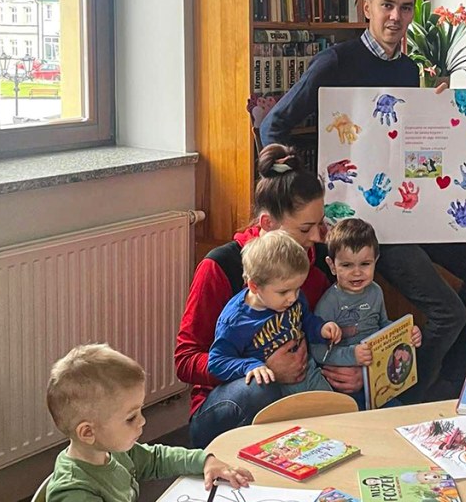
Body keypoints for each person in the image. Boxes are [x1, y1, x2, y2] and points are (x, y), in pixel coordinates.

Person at [259, 0, 466, 400]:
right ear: (366, 7)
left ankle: (449, 378)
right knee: (446, 310)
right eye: (386, 5)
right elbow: (274, 125)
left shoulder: (410, 71)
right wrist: (301, 194)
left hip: (413, 209)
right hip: (367, 223)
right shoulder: (335, 62)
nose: (395, 16)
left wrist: (439, 113)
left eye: (405, 8)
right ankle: (408, 397)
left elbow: (408, 147)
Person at [175, 144, 361, 448]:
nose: (317, 237)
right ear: (267, 224)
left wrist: (353, 370)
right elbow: (185, 361)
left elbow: (322, 331)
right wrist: (261, 366)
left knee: (360, 397)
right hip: (228, 402)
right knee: (261, 389)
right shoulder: (220, 267)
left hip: (302, 385)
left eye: (320, 224)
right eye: (305, 229)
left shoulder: (315, 263)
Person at [45, 344, 255, 501]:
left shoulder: (113, 451)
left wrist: (205, 461)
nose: (142, 421)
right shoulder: (74, 491)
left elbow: (157, 459)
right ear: (88, 433)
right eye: (131, 417)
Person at [208, 230, 343, 393]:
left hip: (309, 374)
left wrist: (321, 328)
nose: (293, 297)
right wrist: (249, 366)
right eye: (283, 292)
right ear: (254, 286)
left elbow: (305, 319)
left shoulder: (293, 295)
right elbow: (216, 362)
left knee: (335, 412)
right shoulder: (236, 320)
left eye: (297, 288)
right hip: (272, 391)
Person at [311, 218, 423, 408]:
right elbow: (318, 351)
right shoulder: (329, 303)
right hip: (344, 387)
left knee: (399, 412)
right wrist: (352, 355)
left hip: (377, 378)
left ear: (375, 261)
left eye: (365, 264)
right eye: (347, 265)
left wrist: (406, 333)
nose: (357, 273)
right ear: (332, 265)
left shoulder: (376, 291)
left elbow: (382, 325)